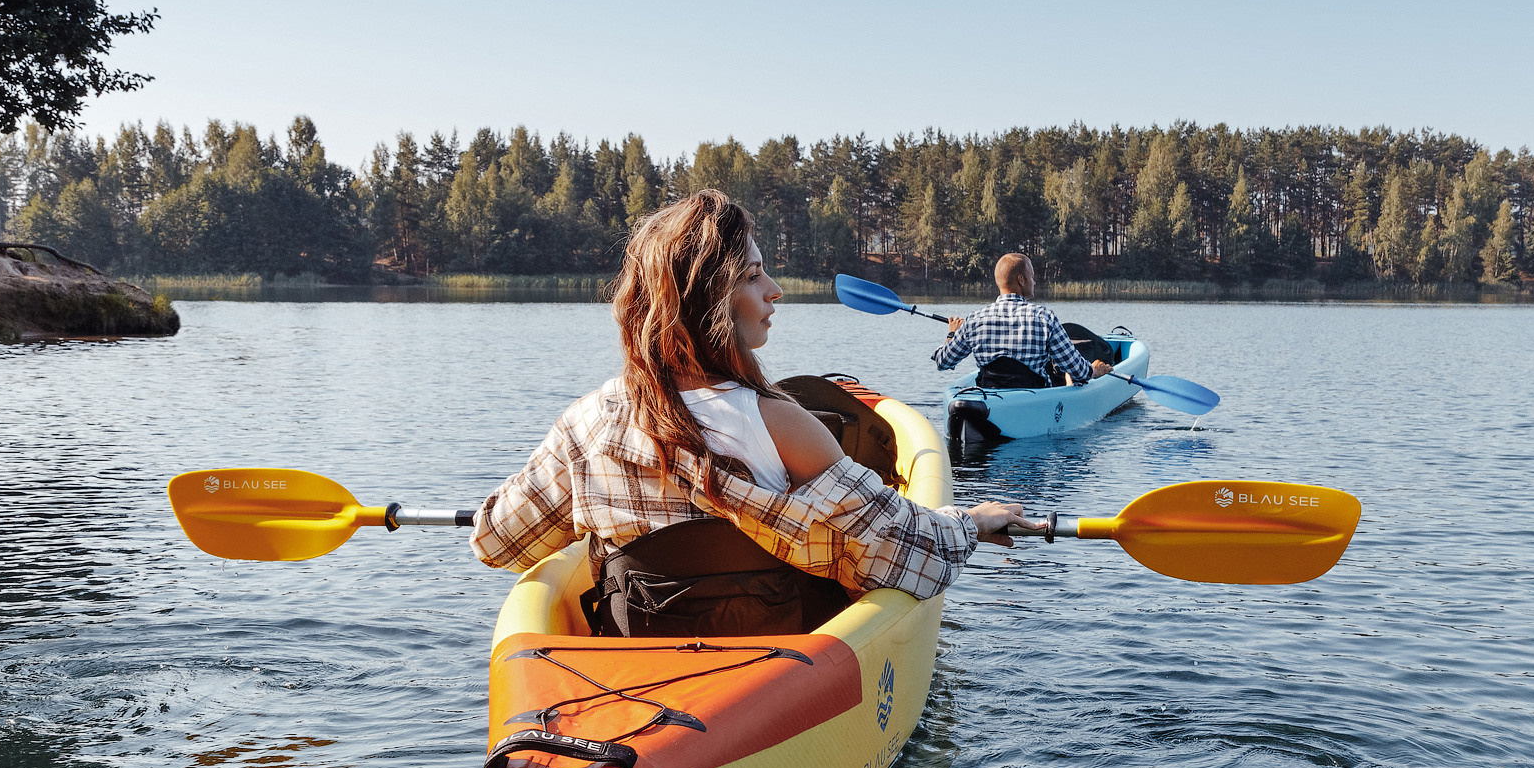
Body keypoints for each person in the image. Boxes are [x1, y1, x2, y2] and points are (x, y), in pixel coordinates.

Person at [471, 190, 1035, 634]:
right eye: (751, 276)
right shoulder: (783, 426)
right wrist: (972, 524)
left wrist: (592, 508)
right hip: (781, 670)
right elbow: (903, 548)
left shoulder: (587, 424)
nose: (775, 290)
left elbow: (496, 542)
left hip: (638, 672)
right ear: (705, 301)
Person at [933, 252, 1113, 388]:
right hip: (1032, 400)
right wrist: (1094, 371)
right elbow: (1078, 372)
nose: (1034, 282)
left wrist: (952, 333)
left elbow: (943, 362)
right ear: (1021, 279)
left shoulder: (974, 319)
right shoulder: (1045, 318)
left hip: (991, 398)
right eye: (1032, 277)